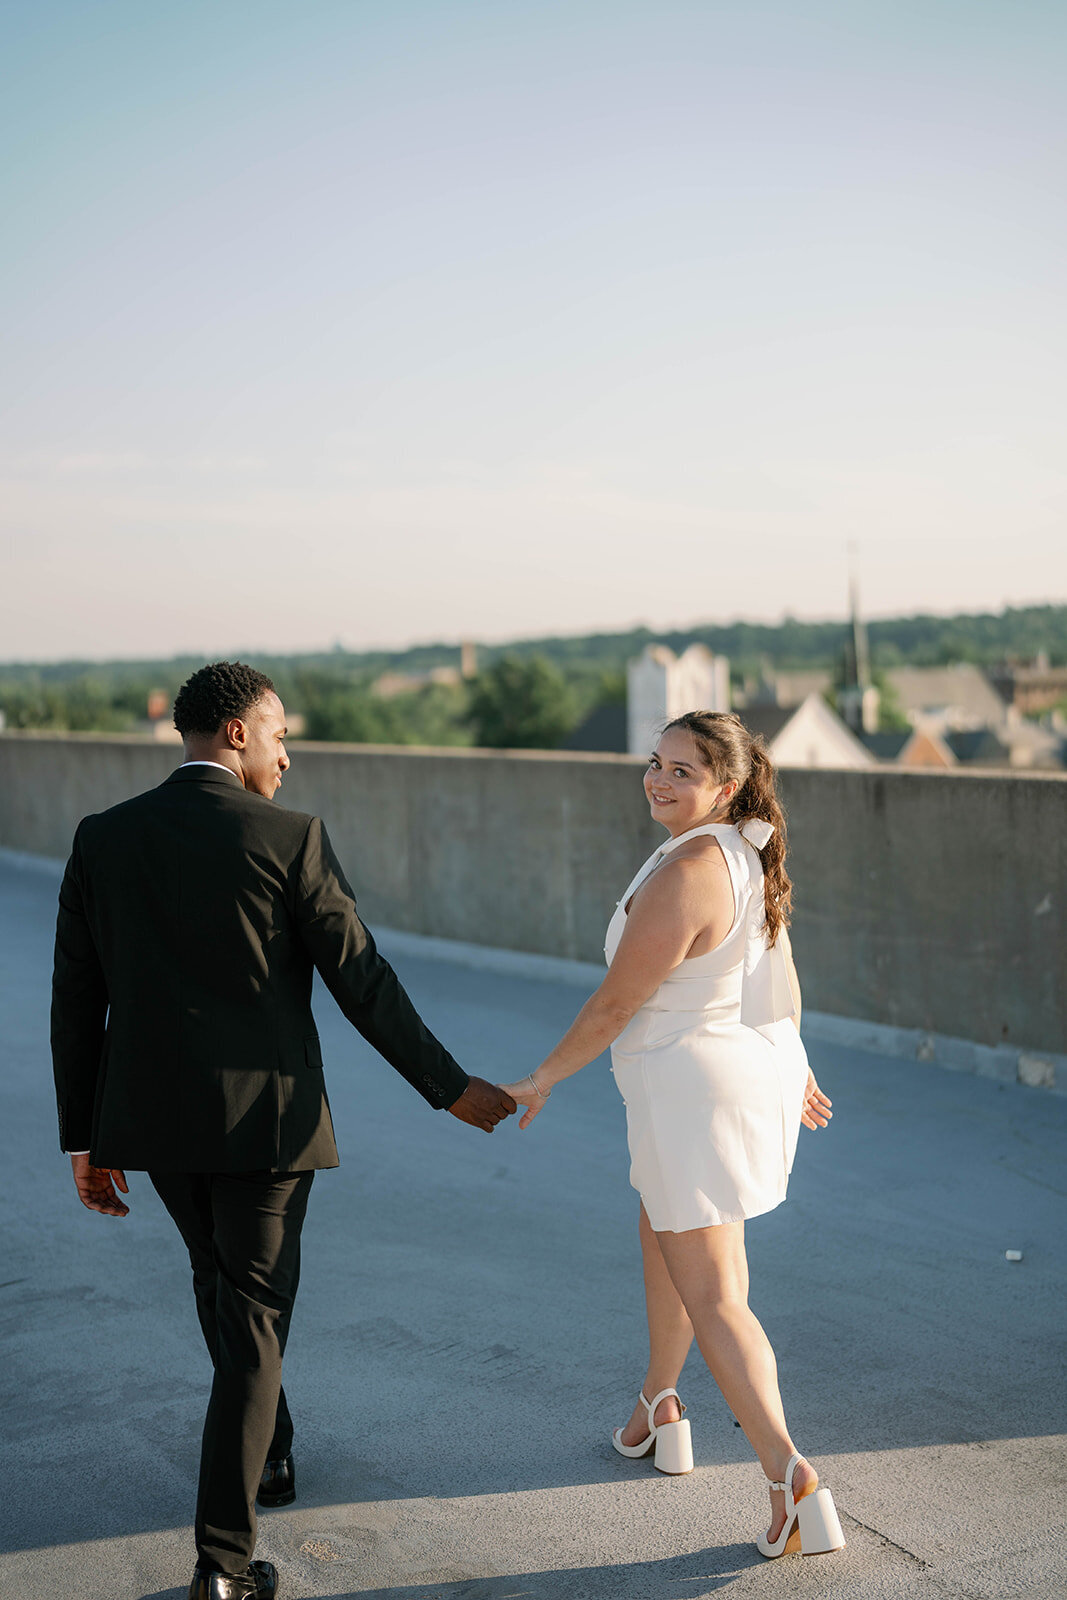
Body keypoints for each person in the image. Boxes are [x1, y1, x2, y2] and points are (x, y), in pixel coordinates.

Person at [51, 661, 516, 1600]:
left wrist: (85, 1137)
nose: (287, 757)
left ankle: (268, 1457)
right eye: (278, 736)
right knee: (254, 1318)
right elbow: (362, 980)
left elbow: (77, 999)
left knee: (222, 1293)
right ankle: (222, 1563)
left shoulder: (104, 838)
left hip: (152, 1123)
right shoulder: (290, 837)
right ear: (233, 733)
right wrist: (449, 1087)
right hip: (267, 1125)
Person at [500, 710, 845, 1560]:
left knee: (720, 1292)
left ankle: (790, 1479)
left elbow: (616, 1003)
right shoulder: (739, 849)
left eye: (682, 770)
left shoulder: (692, 867)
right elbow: (775, 971)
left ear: (724, 787)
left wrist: (542, 1076)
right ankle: (659, 1406)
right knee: (661, 1228)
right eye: (655, 763)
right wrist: (794, 1065)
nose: (659, 779)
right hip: (729, 1075)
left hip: (691, 1092)